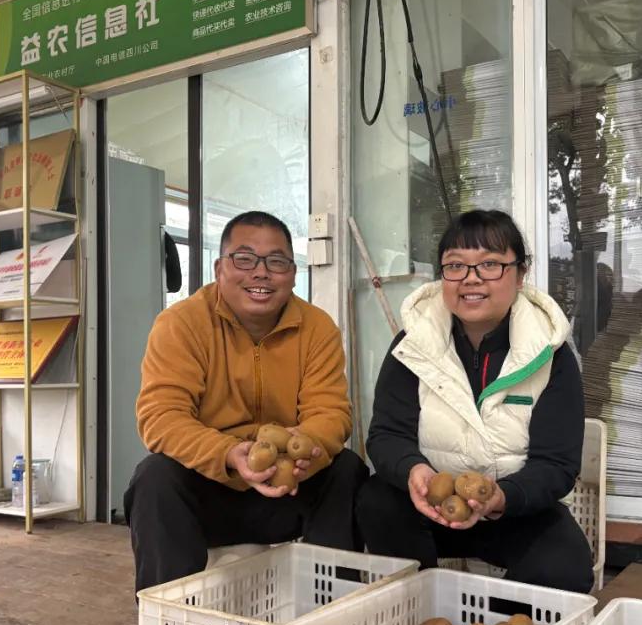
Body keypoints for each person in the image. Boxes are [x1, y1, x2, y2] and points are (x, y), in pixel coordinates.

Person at [125, 211, 365, 597]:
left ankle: (331, 610)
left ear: (293, 273)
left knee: (346, 469)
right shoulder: (181, 324)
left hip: (289, 487)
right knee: (153, 477)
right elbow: (161, 416)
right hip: (210, 488)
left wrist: (305, 450)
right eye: (245, 259)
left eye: (276, 261)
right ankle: (168, 621)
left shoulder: (318, 328)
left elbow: (330, 411)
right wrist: (228, 455)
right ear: (219, 268)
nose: (261, 273)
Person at [356, 209, 593, 593]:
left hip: (512, 511)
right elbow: (386, 435)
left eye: (490, 265)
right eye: (455, 266)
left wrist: (501, 497)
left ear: (521, 273)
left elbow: (556, 464)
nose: (471, 278)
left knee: (566, 565)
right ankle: (417, 607)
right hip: (429, 509)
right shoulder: (413, 345)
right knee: (376, 500)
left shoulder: (551, 354)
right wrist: (414, 470)